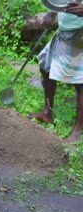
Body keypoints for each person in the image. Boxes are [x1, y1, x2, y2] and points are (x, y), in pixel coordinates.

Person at [28, 2, 83, 143]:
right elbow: (61, 2)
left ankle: (78, 129)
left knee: (81, 84)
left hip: (80, 35)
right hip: (65, 32)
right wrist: (52, 13)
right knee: (46, 67)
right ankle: (47, 113)